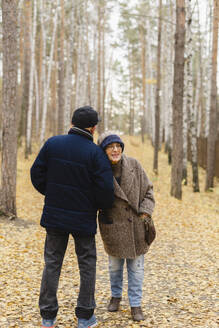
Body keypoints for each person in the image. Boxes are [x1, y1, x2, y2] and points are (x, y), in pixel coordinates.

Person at [30, 106, 114, 328]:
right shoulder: (96, 153)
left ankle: (48, 317)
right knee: (87, 264)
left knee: (52, 263)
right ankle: (85, 317)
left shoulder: (52, 144)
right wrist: (95, 206)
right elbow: (106, 190)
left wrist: (53, 194)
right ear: (93, 128)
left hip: (55, 216)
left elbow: (36, 174)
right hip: (83, 219)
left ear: (72, 123)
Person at [97, 131, 155, 322]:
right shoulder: (99, 170)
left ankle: (136, 304)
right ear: (103, 151)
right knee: (114, 267)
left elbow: (148, 191)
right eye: (110, 147)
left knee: (136, 269)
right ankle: (115, 296)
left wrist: (145, 212)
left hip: (136, 226)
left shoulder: (135, 166)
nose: (115, 150)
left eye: (118, 146)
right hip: (112, 226)